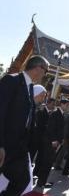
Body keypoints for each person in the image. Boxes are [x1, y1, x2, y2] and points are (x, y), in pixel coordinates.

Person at [0, 55, 49, 196]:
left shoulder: (31, 87)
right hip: (6, 144)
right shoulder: (11, 80)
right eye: (45, 71)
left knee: (23, 180)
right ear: (38, 68)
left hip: (19, 146)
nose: (45, 75)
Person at [33, 97, 56, 188]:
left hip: (45, 140)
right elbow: (39, 125)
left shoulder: (52, 113)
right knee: (34, 155)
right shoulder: (41, 111)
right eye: (53, 104)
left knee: (41, 157)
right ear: (48, 103)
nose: (54, 106)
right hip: (38, 138)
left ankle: (37, 172)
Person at [53, 97, 69, 170]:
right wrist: (54, 139)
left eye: (68, 105)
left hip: (59, 139)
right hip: (54, 140)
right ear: (61, 104)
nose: (68, 107)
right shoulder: (55, 113)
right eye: (66, 105)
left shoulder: (62, 114)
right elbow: (53, 127)